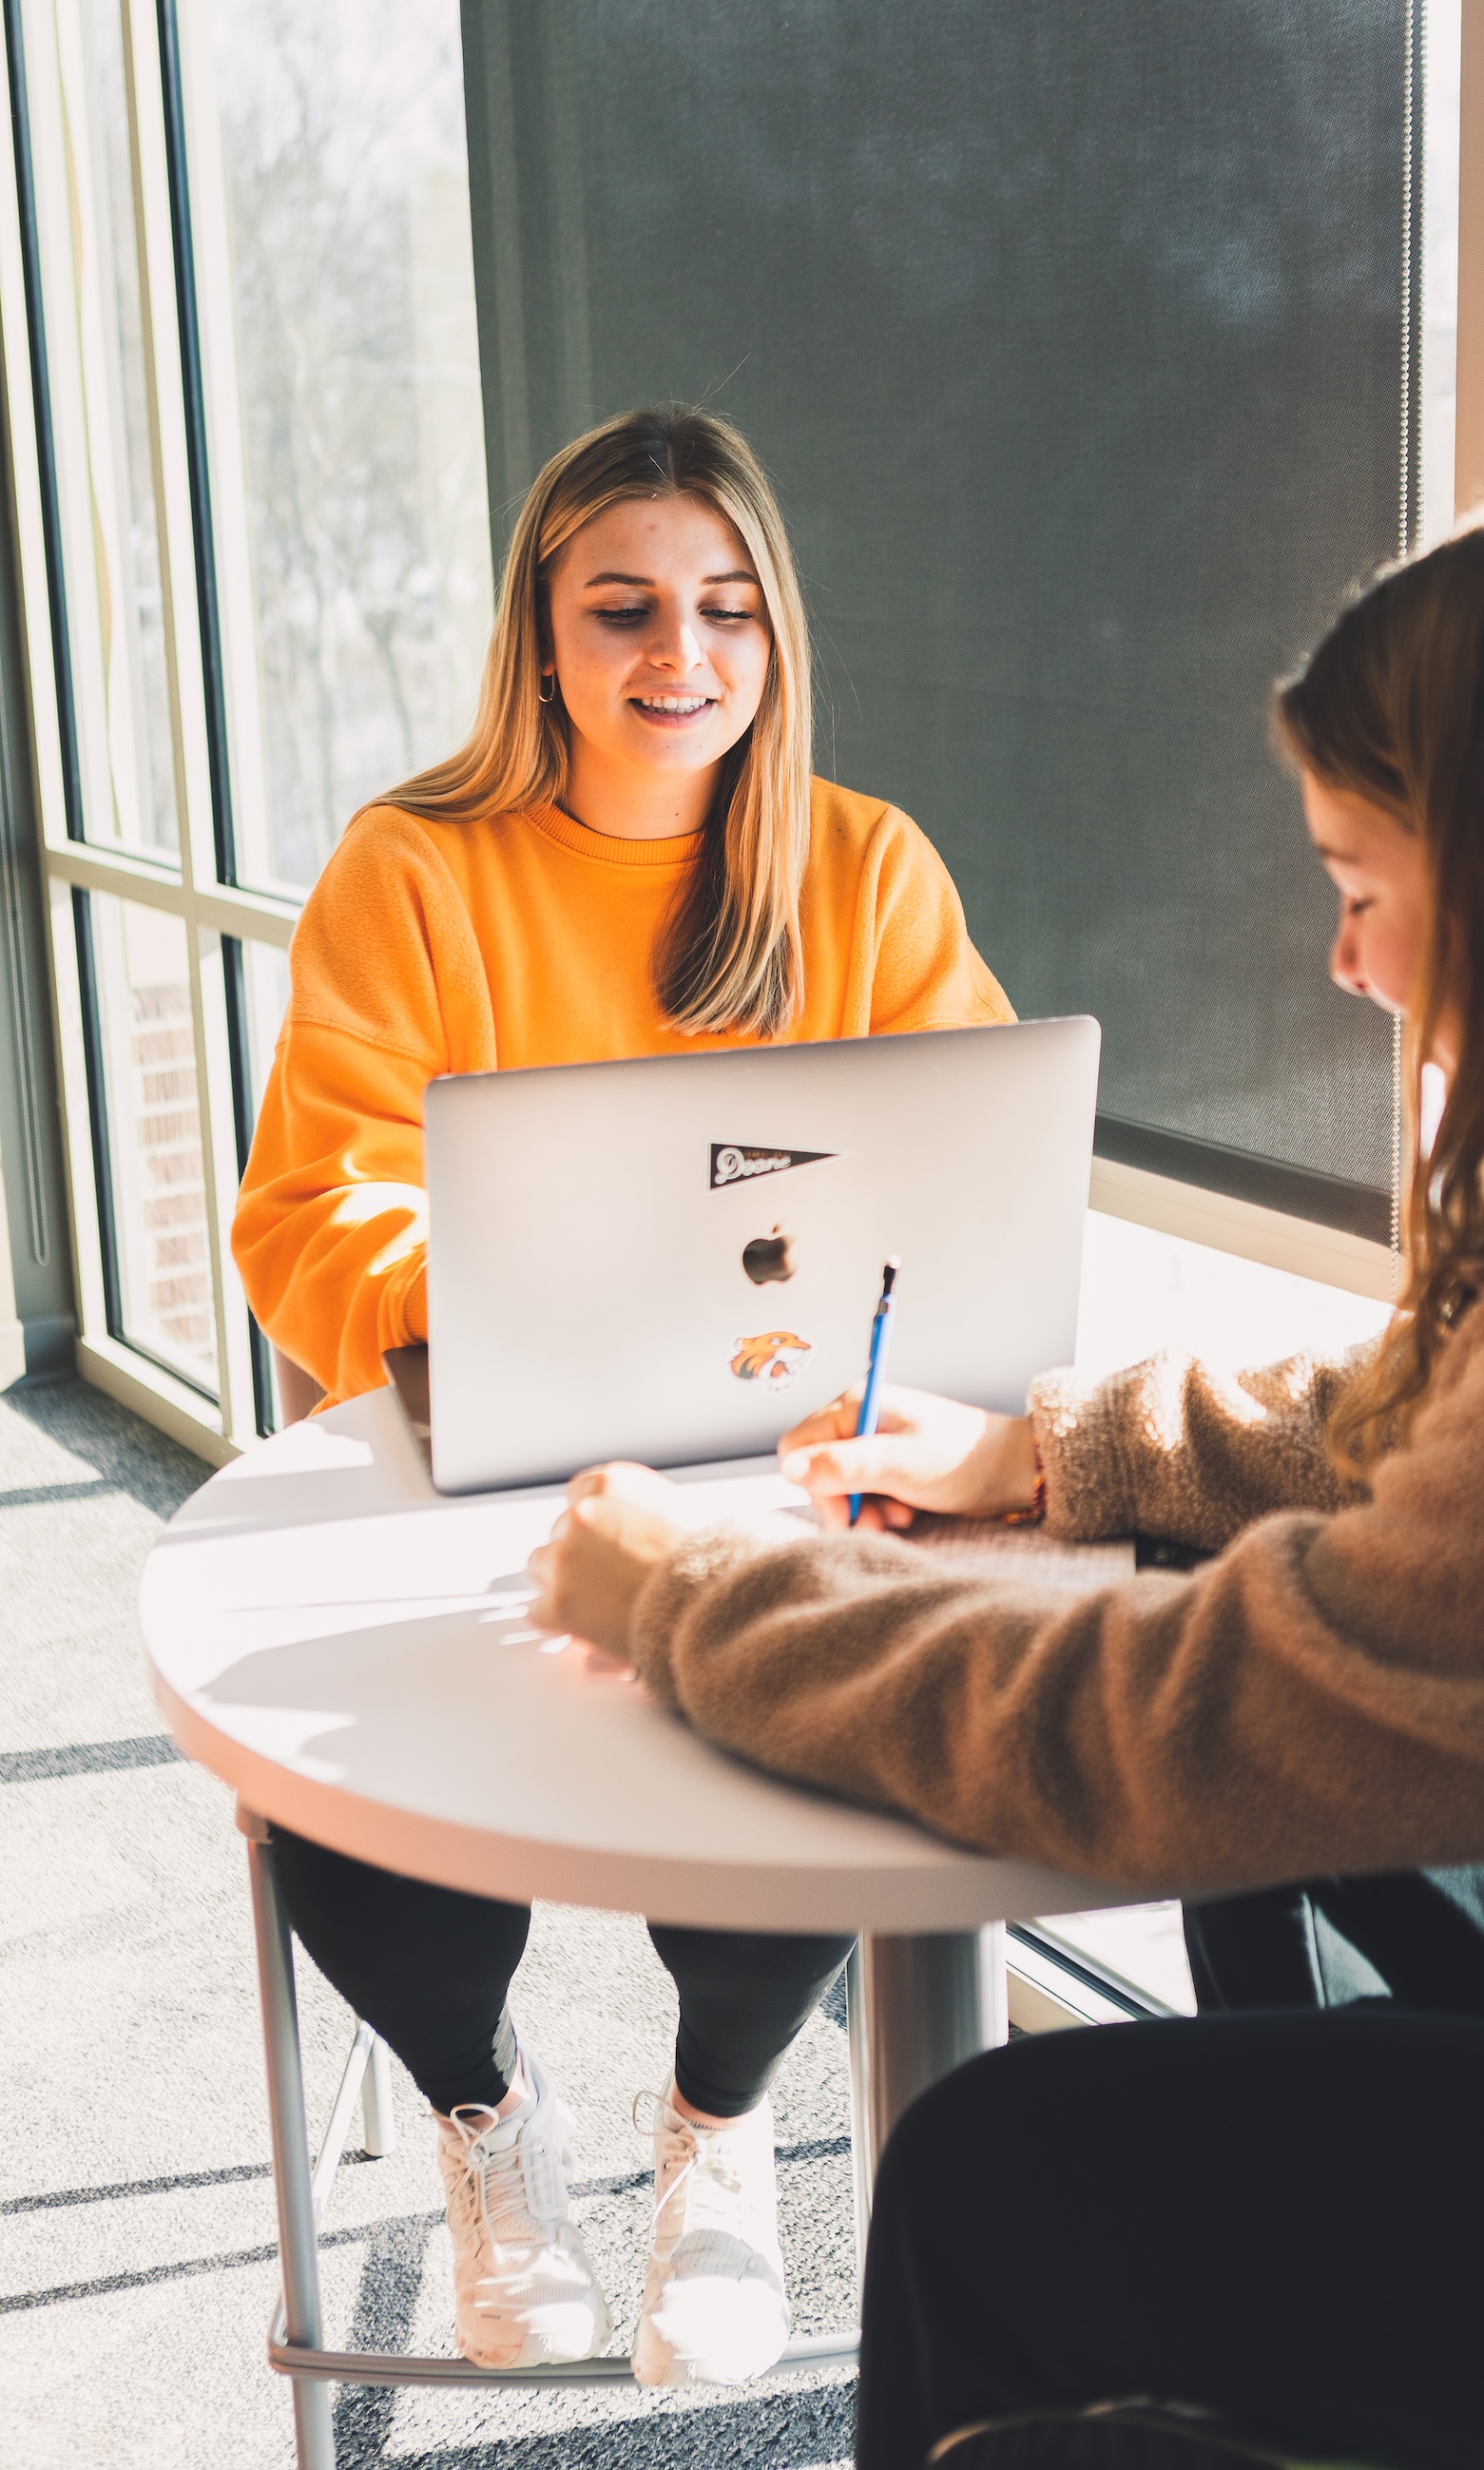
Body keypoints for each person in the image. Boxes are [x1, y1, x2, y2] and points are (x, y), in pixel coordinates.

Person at [526, 496, 1484, 2470]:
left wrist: (681, 1595)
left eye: (1360, 876)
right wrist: (1059, 1448)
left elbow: (1164, 1732)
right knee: (1303, 1876)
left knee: (979, 2176)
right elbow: (1477, 1420)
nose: (1336, 956)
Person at [231, 404, 1011, 2382]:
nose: (683, 656)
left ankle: (718, 2134)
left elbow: (967, 1172)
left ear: (778, 633)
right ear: (544, 636)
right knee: (337, 1771)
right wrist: (506, 1323)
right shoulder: (416, 869)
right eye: (626, 608)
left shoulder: (862, 868)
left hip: (772, 1453)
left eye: (727, 607)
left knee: (807, 1700)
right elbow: (305, 1211)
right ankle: (490, 2116)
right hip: (477, 1448)